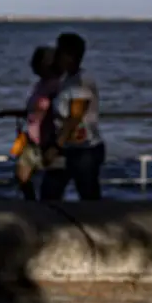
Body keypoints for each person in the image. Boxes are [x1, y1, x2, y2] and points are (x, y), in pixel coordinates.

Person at [41, 32, 105, 201]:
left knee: (89, 198)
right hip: (69, 148)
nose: (55, 55)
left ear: (70, 56)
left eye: (59, 52)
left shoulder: (80, 82)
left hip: (85, 151)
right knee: (50, 193)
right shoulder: (67, 79)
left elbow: (74, 118)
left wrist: (55, 147)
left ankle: (92, 225)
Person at [6, 46, 63, 200]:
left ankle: (46, 210)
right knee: (21, 175)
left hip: (49, 139)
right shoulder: (39, 85)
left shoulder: (58, 86)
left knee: (51, 186)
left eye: (36, 62)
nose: (32, 65)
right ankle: (32, 204)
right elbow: (33, 107)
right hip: (31, 138)